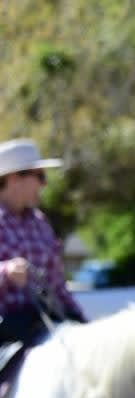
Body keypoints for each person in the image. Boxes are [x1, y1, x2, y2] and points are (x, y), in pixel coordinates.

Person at [0, 138, 85, 345]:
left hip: (40, 323)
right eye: (39, 175)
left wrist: (78, 319)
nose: (44, 183)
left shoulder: (40, 223)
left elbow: (57, 284)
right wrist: (5, 272)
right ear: (13, 178)